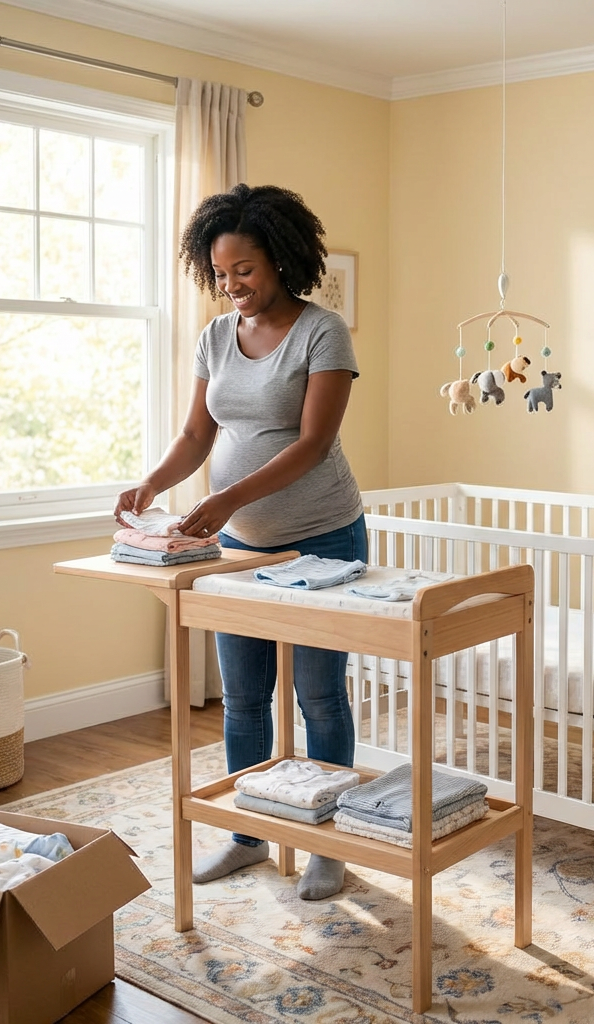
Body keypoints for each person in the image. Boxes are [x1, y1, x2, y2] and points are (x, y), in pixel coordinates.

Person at [115, 183, 366, 899]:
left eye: (245, 270)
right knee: (246, 701)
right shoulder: (214, 337)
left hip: (323, 540)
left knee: (319, 698)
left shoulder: (324, 332)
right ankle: (249, 837)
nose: (233, 286)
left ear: (282, 260)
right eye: (222, 273)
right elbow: (198, 434)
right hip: (239, 549)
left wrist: (225, 497)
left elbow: (315, 444)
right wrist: (153, 485)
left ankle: (327, 845)